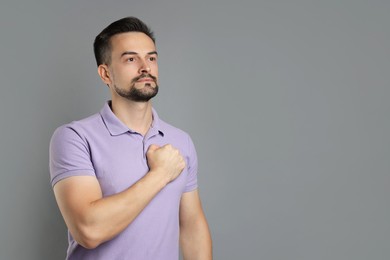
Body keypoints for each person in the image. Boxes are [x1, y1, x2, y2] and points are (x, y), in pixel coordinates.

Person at [49, 16, 212, 260]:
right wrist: (160, 174)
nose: (145, 66)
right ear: (105, 74)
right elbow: (89, 230)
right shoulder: (74, 137)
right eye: (131, 59)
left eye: (151, 58)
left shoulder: (181, 141)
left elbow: (191, 228)